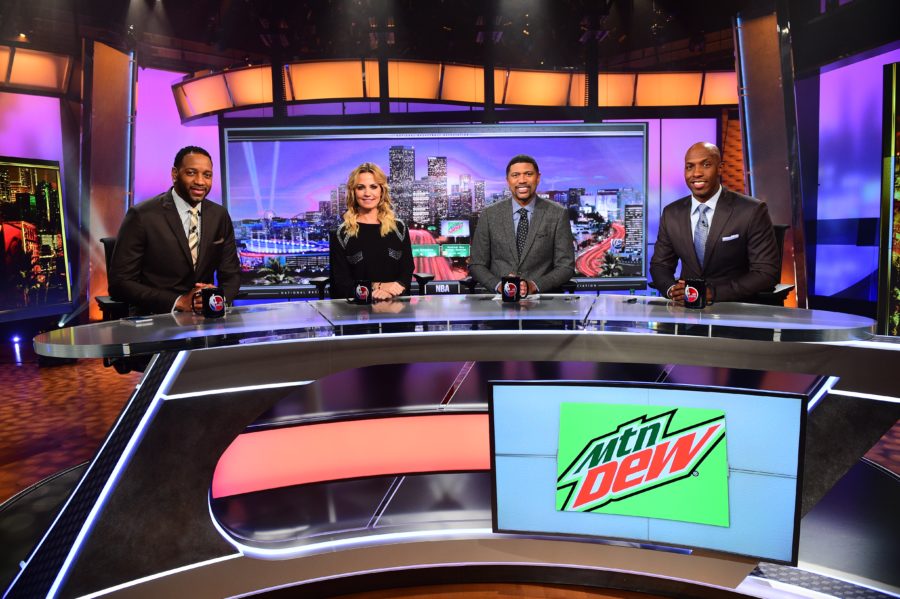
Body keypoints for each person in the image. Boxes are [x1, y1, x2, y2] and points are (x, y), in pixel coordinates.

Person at [108, 146, 240, 315]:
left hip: (204, 320)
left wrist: (217, 299)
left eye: (207, 175)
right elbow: (120, 283)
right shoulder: (142, 216)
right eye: (191, 173)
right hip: (156, 320)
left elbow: (232, 276)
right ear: (175, 174)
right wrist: (179, 302)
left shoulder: (219, 215)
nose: (200, 181)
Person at [650, 142, 780, 304]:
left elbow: (766, 273)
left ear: (720, 168)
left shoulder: (751, 210)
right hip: (687, 314)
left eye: (705, 165)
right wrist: (672, 290)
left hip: (736, 313)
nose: (696, 173)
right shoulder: (672, 213)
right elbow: (660, 265)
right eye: (689, 167)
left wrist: (713, 293)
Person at [469, 154, 575, 294]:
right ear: (508, 180)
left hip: (543, 302)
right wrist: (499, 286)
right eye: (515, 175)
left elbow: (566, 266)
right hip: (498, 301)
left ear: (538, 177)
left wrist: (534, 285)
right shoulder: (489, 214)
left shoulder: (557, 213)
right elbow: (477, 264)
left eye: (528, 174)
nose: (522, 180)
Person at [329, 162, 414, 300]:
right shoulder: (342, 233)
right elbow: (341, 283)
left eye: (373, 187)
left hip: (397, 308)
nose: (367, 193)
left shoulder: (399, 228)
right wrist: (377, 287)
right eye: (361, 187)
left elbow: (407, 270)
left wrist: (390, 291)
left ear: (382, 191)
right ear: (353, 192)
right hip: (358, 312)